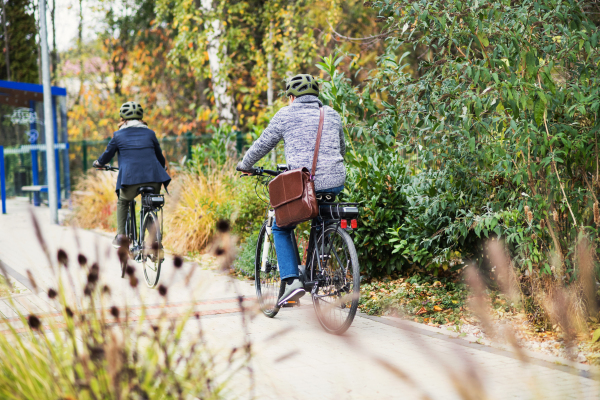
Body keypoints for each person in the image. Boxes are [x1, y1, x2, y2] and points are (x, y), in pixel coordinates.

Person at [237, 74, 346, 306]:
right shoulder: (332, 114)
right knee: (320, 219)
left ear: (292, 97)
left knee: (281, 226)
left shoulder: (286, 114)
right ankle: (319, 272)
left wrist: (245, 165)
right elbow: (342, 149)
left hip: (303, 185)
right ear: (316, 96)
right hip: (334, 181)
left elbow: (263, 144)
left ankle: (291, 282)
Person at [93, 101, 171, 248]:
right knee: (150, 204)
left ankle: (121, 236)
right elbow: (160, 156)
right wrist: (162, 167)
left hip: (130, 179)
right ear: (141, 117)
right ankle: (154, 240)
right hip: (154, 178)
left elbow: (106, 156)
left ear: (123, 118)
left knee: (123, 201)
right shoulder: (150, 133)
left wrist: (99, 163)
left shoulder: (118, 135)